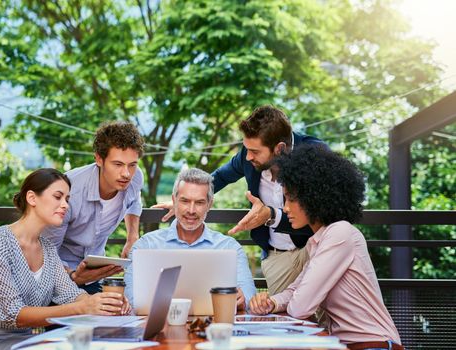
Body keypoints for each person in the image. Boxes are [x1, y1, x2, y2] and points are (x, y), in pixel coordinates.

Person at [153, 105, 326, 295]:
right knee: (289, 317)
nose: (248, 156)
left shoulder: (315, 154)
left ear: (280, 148)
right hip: (278, 257)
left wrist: (272, 215)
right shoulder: (247, 155)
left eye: (255, 151)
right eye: (246, 149)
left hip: (317, 248)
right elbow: (219, 177)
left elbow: (324, 213)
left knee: (326, 317)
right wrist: (183, 200)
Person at [248, 145, 403, 350]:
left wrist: (286, 301)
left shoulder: (340, 233)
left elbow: (300, 307)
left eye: (292, 199)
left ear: (314, 197)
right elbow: (295, 289)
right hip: (347, 345)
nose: (285, 208)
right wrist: (272, 303)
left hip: (375, 344)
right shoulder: (318, 241)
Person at [0, 169, 131, 350]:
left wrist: (104, 302)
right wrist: (84, 308)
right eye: (58, 197)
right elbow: (14, 315)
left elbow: (71, 295)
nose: (65, 205)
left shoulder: (47, 248)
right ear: (32, 198)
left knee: (85, 345)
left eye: (67, 199)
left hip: (24, 341)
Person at [125, 168, 256, 310]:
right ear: (174, 201)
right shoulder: (146, 246)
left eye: (199, 202)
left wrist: (243, 299)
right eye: (185, 201)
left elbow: (249, 295)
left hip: (212, 327)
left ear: (209, 205)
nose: (191, 210)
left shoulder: (230, 248)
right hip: (158, 327)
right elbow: (130, 297)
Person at [43, 121, 145, 294]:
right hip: (56, 278)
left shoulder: (135, 178)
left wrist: (132, 237)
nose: (126, 173)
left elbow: (135, 200)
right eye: (118, 164)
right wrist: (73, 276)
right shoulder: (68, 191)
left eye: (132, 165)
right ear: (99, 159)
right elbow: (47, 250)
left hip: (95, 275)